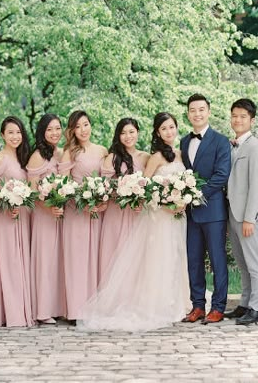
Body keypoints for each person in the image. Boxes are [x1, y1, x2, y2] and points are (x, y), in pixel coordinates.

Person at [77, 112, 189, 332]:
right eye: (164, 128)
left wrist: (183, 198)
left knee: (176, 256)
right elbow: (147, 187)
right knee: (157, 259)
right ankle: (157, 304)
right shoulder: (151, 157)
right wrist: (166, 204)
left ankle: (180, 301)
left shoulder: (178, 154)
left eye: (171, 127)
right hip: (157, 214)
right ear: (157, 132)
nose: (169, 132)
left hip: (177, 215)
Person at [180, 94, 231, 325]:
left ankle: (219, 307)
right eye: (193, 110)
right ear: (188, 114)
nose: (197, 114)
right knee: (193, 260)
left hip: (213, 211)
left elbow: (222, 175)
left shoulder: (221, 141)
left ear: (208, 112)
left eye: (201, 109)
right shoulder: (183, 142)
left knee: (218, 260)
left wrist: (199, 195)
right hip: (190, 214)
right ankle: (197, 305)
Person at [59, 110, 108, 322]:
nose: (83, 130)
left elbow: (109, 180)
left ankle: (96, 308)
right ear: (72, 131)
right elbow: (62, 183)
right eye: (77, 127)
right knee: (77, 260)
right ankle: (75, 310)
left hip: (97, 212)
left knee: (96, 259)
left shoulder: (102, 150)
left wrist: (102, 200)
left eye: (85, 124)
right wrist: (79, 199)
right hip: (76, 211)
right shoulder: (69, 152)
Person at [0, 116, 35, 327]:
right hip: (5, 216)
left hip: (22, 215)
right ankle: (10, 312)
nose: (15, 137)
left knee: (22, 262)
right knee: (9, 263)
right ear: (3, 135)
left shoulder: (24, 158)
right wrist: (6, 201)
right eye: (10, 133)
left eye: (18, 132)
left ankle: (24, 310)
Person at [223, 99, 258, 326]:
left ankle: (257, 308)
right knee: (242, 262)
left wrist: (250, 217)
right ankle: (245, 302)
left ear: (251, 120)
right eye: (234, 116)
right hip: (233, 212)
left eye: (242, 116)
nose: (237, 120)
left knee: (254, 262)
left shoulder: (256, 147)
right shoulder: (231, 146)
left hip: (249, 215)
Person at [98, 118, 149, 283]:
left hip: (137, 214)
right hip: (116, 214)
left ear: (138, 133)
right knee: (114, 254)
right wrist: (122, 191)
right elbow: (103, 188)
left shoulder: (145, 157)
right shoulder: (112, 157)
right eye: (123, 133)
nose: (128, 136)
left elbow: (151, 186)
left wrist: (140, 199)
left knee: (137, 256)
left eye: (131, 132)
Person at [27, 113, 66, 325]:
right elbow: (32, 191)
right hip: (44, 215)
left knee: (58, 260)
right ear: (42, 132)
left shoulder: (60, 154)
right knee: (45, 260)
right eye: (50, 129)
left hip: (60, 215)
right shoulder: (37, 156)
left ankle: (56, 306)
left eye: (58, 128)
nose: (54, 133)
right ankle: (42, 309)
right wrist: (49, 206)